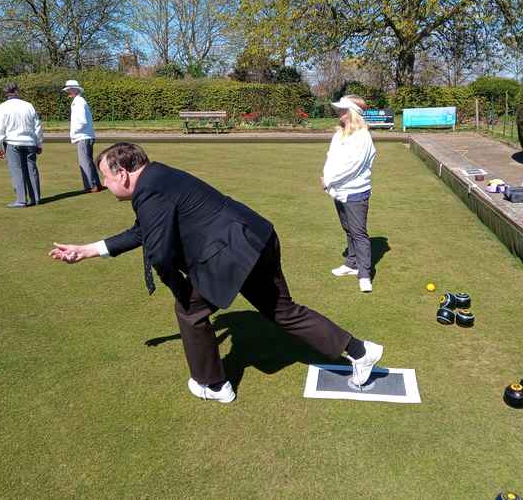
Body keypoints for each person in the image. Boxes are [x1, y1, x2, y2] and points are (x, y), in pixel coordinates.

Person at [49, 142, 383, 404]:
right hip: (257, 235)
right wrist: (88, 249)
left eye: (106, 178)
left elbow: (160, 253)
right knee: (283, 310)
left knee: (190, 312)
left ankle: (214, 384)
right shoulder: (158, 177)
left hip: (231, 251)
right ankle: (361, 351)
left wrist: (181, 291)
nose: (105, 185)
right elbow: (143, 232)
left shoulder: (150, 189)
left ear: (122, 172)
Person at [322, 95, 377, 293]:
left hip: (355, 192)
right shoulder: (340, 133)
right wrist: (327, 178)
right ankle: (351, 264)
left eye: (343, 109)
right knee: (348, 229)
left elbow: (352, 167)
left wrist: (329, 180)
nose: (339, 112)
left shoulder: (363, 137)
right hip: (338, 190)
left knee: (359, 233)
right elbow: (331, 158)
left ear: (352, 113)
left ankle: (364, 274)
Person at [0, 82, 43, 208]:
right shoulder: (28, 106)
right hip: (30, 142)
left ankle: (21, 200)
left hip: (12, 143)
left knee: (17, 171)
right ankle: (36, 198)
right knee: (32, 170)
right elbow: (37, 126)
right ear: (17, 91)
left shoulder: (2, 107)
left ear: (6, 93)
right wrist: (39, 143)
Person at [63, 79, 102, 193]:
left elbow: (81, 121)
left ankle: (91, 186)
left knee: (84, 162)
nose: (68, 92)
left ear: (75, 89)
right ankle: (96, 184)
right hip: (86, 135)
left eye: (69, 90)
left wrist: (74, 133)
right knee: (88, 160)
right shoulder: (79, 101)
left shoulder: (79, 102)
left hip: (83, 136)